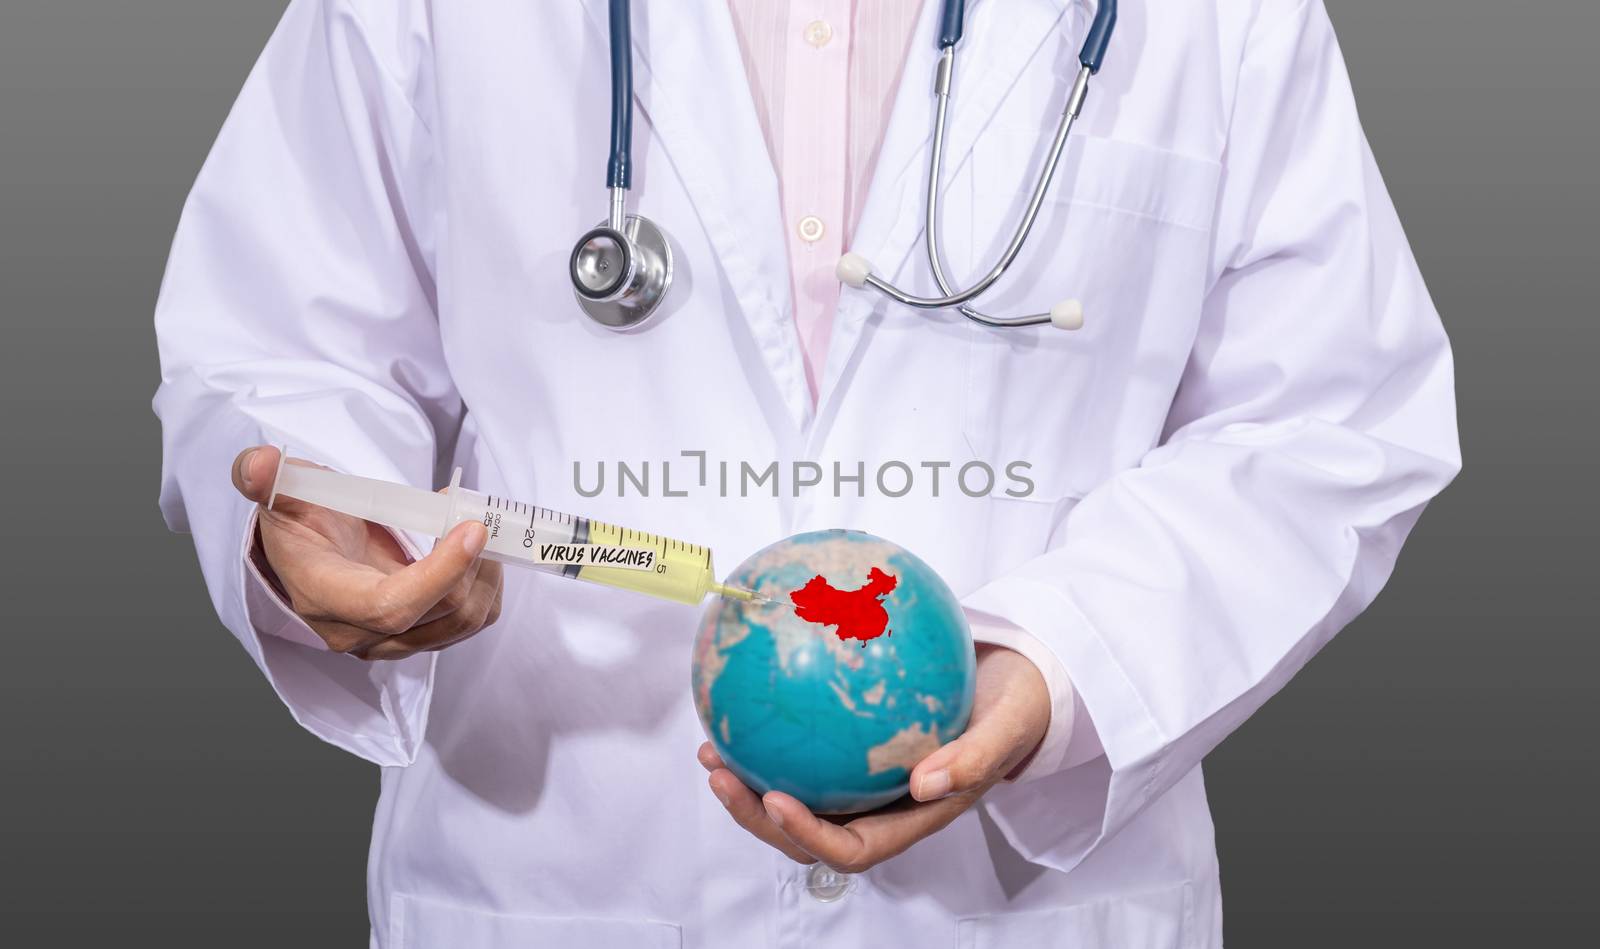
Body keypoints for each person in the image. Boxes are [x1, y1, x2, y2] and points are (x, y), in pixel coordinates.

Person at [153, 1, 1460, 945]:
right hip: (561, 877)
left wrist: (1059, 665)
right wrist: (315, 524)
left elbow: (1331, 416)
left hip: (1029, 911)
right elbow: (275, 343)